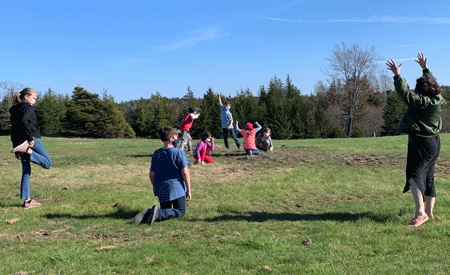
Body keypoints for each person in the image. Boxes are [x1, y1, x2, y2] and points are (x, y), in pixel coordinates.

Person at [386, 53, 447, 227]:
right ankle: (430, 213)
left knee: (414, 176)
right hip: (434, 143)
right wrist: (425, 69)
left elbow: (404, 94)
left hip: (420, 142)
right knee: (428, 177)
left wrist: (397, 75)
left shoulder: (420, 103)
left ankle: (420, 214)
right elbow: (432, 83)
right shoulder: (440, 101)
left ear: (420, 90)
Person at [133, 126, 191, 225]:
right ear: (171, 138)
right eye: (176, 137)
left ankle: (150, 213)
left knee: (167, 210)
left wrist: (155, 186)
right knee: (181, 211)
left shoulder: (156, 153)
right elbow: (185, 173)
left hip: (162, 189)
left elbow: (151, 174)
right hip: (177, 189)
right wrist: (188, 190)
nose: (177, 139)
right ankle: (157, 213)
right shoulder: (179, 153)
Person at [9, 88, 52, 209]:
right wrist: (30, 139)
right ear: (26, 97)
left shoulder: (14, 109)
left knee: (26, 171)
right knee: (48, 163)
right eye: (34, 98)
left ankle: (27, 201)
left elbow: (14, 130)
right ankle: (27, 150)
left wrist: (16, 148)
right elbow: (24, 120)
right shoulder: (27, 107)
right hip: (30, 140)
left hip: (19, 142)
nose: (35, 101)